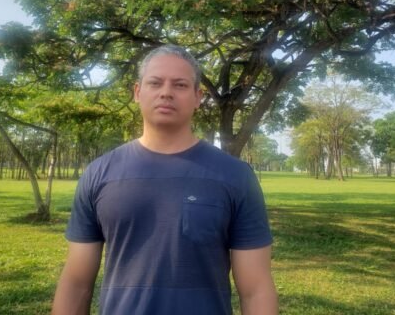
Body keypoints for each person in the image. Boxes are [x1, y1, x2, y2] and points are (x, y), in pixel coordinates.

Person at [52, 45, 278, 315]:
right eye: (155, 83)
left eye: (180, 85)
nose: (166, 92)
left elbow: (256, 290)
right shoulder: (99, 174)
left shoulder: (235, 176)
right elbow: (77, 284)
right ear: (138, 92)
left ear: (198, 97)